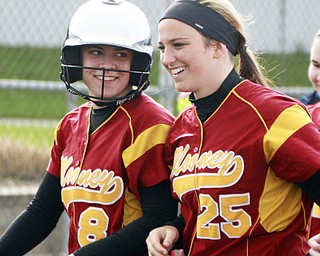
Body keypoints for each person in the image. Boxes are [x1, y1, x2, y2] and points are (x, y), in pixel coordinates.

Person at [0, 0, 178, 255]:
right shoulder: (70, 126)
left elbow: (158, 219)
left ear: (136, 63)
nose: (107, 65)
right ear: (77, 57)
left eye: (120, 54)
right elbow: (42, 212)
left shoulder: (150, 125)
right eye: (95, 52)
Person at [146, 0, 320, 255]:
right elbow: (211, 210)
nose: (166, 58)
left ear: (217, 46)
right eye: (162, 47)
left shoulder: (273, 115)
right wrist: (174, 229)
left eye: (178, 44)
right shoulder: (181, 127)